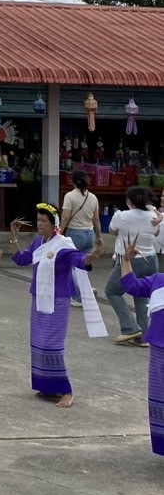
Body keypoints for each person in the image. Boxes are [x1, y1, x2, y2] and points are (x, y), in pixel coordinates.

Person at [10, 202, 107, 406]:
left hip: (58, 300)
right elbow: (21, 259)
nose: (39, 224)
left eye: (43, 221)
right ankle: (47, 387)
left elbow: (79, 260)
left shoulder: (63, 244)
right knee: (38, 343)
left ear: (53, 223)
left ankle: (66, 391)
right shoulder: (38, 242)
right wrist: (13, 237)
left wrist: (91, 258)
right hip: (38, 298)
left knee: (52, 344)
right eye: (38, 220)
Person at [118, 246, 164, 458]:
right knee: (159, 398)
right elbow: (131, 286)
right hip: (158, 349)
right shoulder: (158, 280)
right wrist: (126, 260)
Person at [106, 187, 158, 344]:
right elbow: (155, 233)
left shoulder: (121, 216)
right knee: (141, 297)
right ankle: (143, 336)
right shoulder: (154, 216)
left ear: (129, 201)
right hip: (150, 259)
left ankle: (130, 327)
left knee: (112, 291)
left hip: (129, 259)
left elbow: (112, 232)